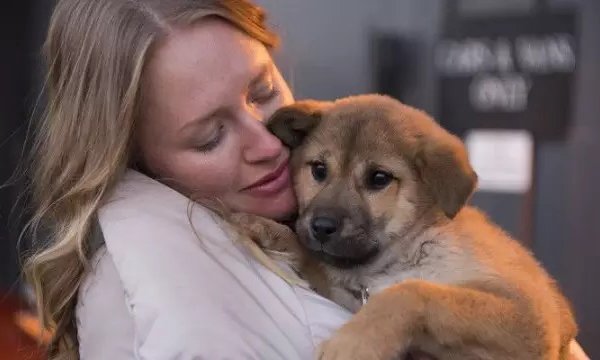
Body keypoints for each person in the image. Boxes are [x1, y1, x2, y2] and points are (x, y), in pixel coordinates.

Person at [23, 0, 589, 359]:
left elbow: (541, 328)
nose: (270, 143)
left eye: (263, 91)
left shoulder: (311, 190)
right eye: (209, 137)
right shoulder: (144, 292)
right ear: (137, 160)